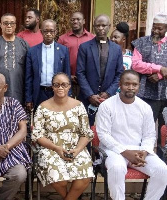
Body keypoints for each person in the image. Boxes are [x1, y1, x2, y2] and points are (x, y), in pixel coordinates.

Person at [95, 70, 167, 200]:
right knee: (117, 168)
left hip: (138, 151)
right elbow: (103, 135)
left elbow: (150, 135)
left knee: (162, 170)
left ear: (139, 86)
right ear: (120, 84)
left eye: (134, 84)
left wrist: (144, 151)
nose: (131, 87)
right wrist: (125, 152)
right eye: (127, 84)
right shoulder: (106, 106)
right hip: (113, 151)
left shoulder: (144, 107)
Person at [32, 73, 94, 200]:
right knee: (60, 180)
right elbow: (37, 135)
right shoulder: (42, 107)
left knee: (84, 176)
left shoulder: (78, 105)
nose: (60, 88)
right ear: (52, 87)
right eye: (57, 85)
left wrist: (77, 150)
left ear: (69, 86)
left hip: (75, 148)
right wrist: (56, 148)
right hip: (50, 149)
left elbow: (86, 133)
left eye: (64, 85)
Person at [76, 14, 124, 125]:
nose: (101, 28)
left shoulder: (116, 49)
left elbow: (119, 73)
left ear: (109, 26)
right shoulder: (85, 47)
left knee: (107, 130)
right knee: (85, 131)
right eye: (98, 25)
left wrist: (108, 92)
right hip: (87, 98)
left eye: (104, 25)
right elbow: (80, 72)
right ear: (93, 27)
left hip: (109, 98)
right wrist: (90, 95)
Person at [131, 13, 167, 142]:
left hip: (165, 96)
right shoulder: (141, 42)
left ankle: (162, 161)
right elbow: (135, 64)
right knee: (143, 131)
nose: (156, 31)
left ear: (166, 29)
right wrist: (159, 68)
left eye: (160, 28)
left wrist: (160, 75)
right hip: (145, 95)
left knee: (164, 134)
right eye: (154, 27)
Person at [0, 13, 29, 104]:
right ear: (1, 25)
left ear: (15, 25)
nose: (9, 26)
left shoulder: (23, 44)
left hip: (19, 89)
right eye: (5, 23)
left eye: (12, 23)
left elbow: (28, 69)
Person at [25, 19, 71, 111]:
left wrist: (68, 95)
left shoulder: (63, 50)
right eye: (46, 31)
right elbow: (29, 77)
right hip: (39, 93)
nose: (49, 34)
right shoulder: (32, 51)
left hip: (57, 92)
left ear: (55, 32)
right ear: (41, 32)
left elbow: (67, 74)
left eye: (51, 31)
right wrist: (28, 98)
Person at [58, 12, 95, 98]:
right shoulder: (63, 39)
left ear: (84, 21)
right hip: (68, 80)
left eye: (78, 19)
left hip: (87, 81)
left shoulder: (92, 38)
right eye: (73, 20)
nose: (75, 21)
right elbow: (58, 60)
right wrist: (68, 75)